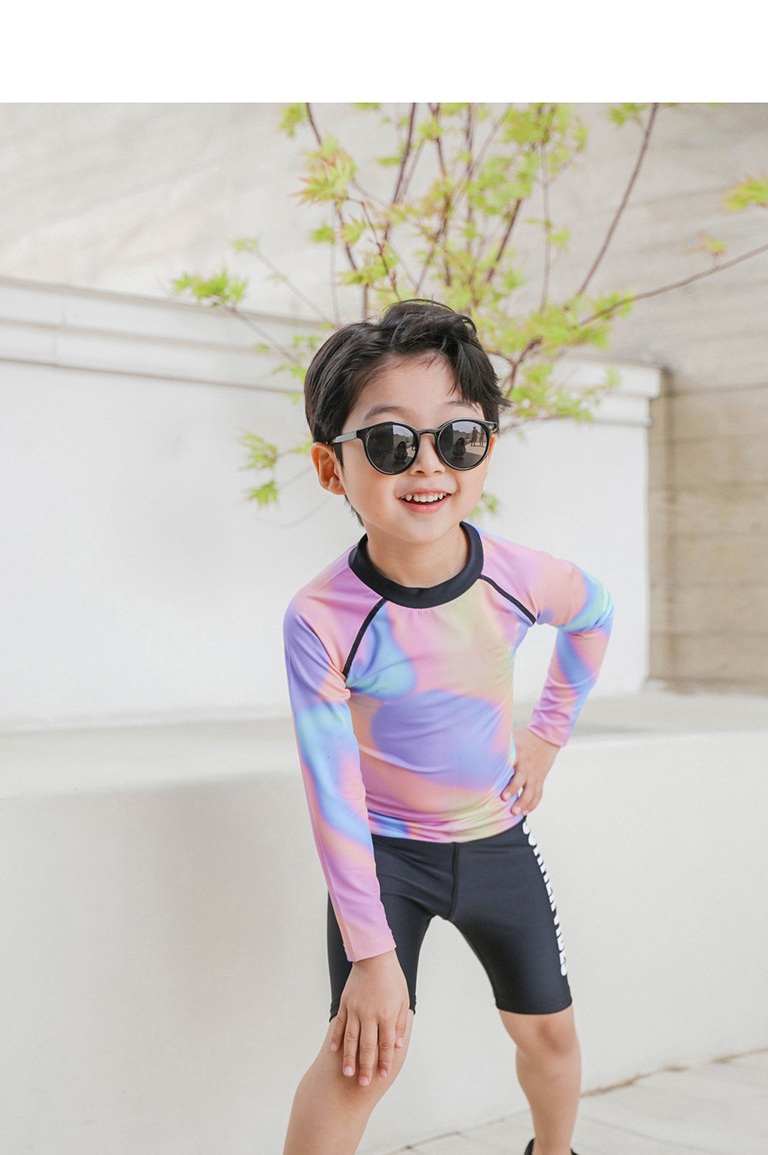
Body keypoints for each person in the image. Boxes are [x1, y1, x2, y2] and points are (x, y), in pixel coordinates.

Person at [280, 299, 614, 1155]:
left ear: (486, 449)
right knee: (362, 1060)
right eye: (391, 442)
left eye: (458, 436)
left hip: (495, 843)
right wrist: (371, 955)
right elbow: (332, 793)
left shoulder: (517, 577)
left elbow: (595, 615)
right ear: (331, 467)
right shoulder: (323, 616)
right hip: (385, 858)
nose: (428, 463)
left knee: (550, 1034)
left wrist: (548, 734)